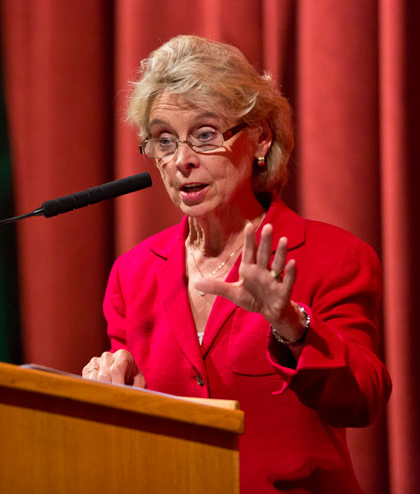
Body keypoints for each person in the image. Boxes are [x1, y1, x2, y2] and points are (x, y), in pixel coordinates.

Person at [82, 35, 391, 493]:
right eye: (164, 140)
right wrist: (113, 395)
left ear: (260, 138)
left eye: (205, 135)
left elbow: (363, 401)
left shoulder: (337, 256)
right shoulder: (133, 273)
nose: (181, 160)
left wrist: (290, 324)